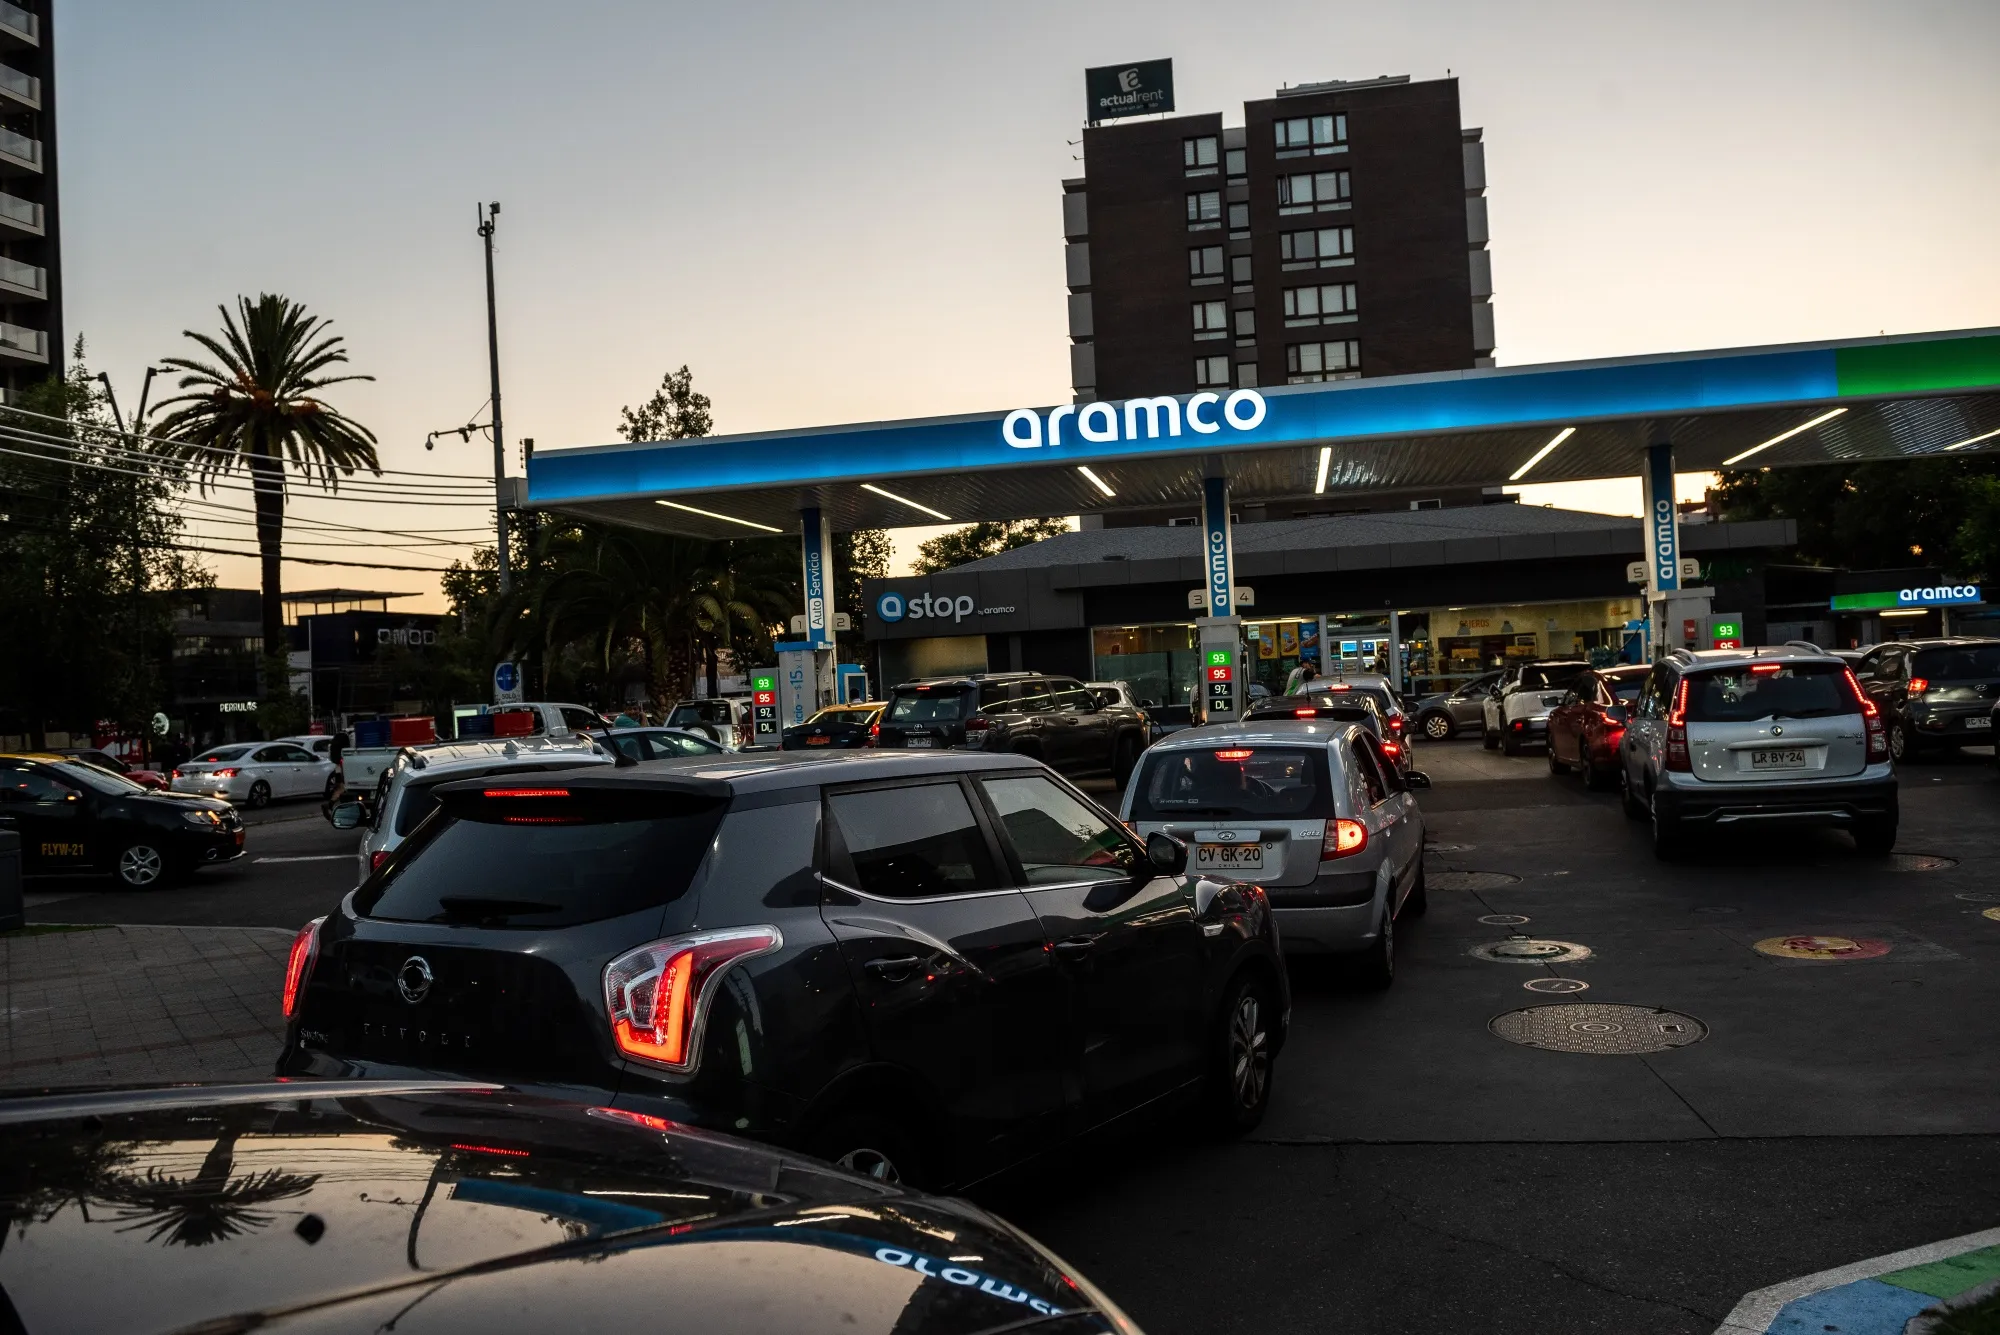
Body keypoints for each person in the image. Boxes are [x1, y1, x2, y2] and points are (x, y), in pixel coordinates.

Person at [322, 727, 350, 818]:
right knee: (344, 788)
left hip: (338, 765)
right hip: (345, 766)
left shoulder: (339, 734)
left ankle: (331, 805)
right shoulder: (351, 734)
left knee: (340, 787)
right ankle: (332, 806)